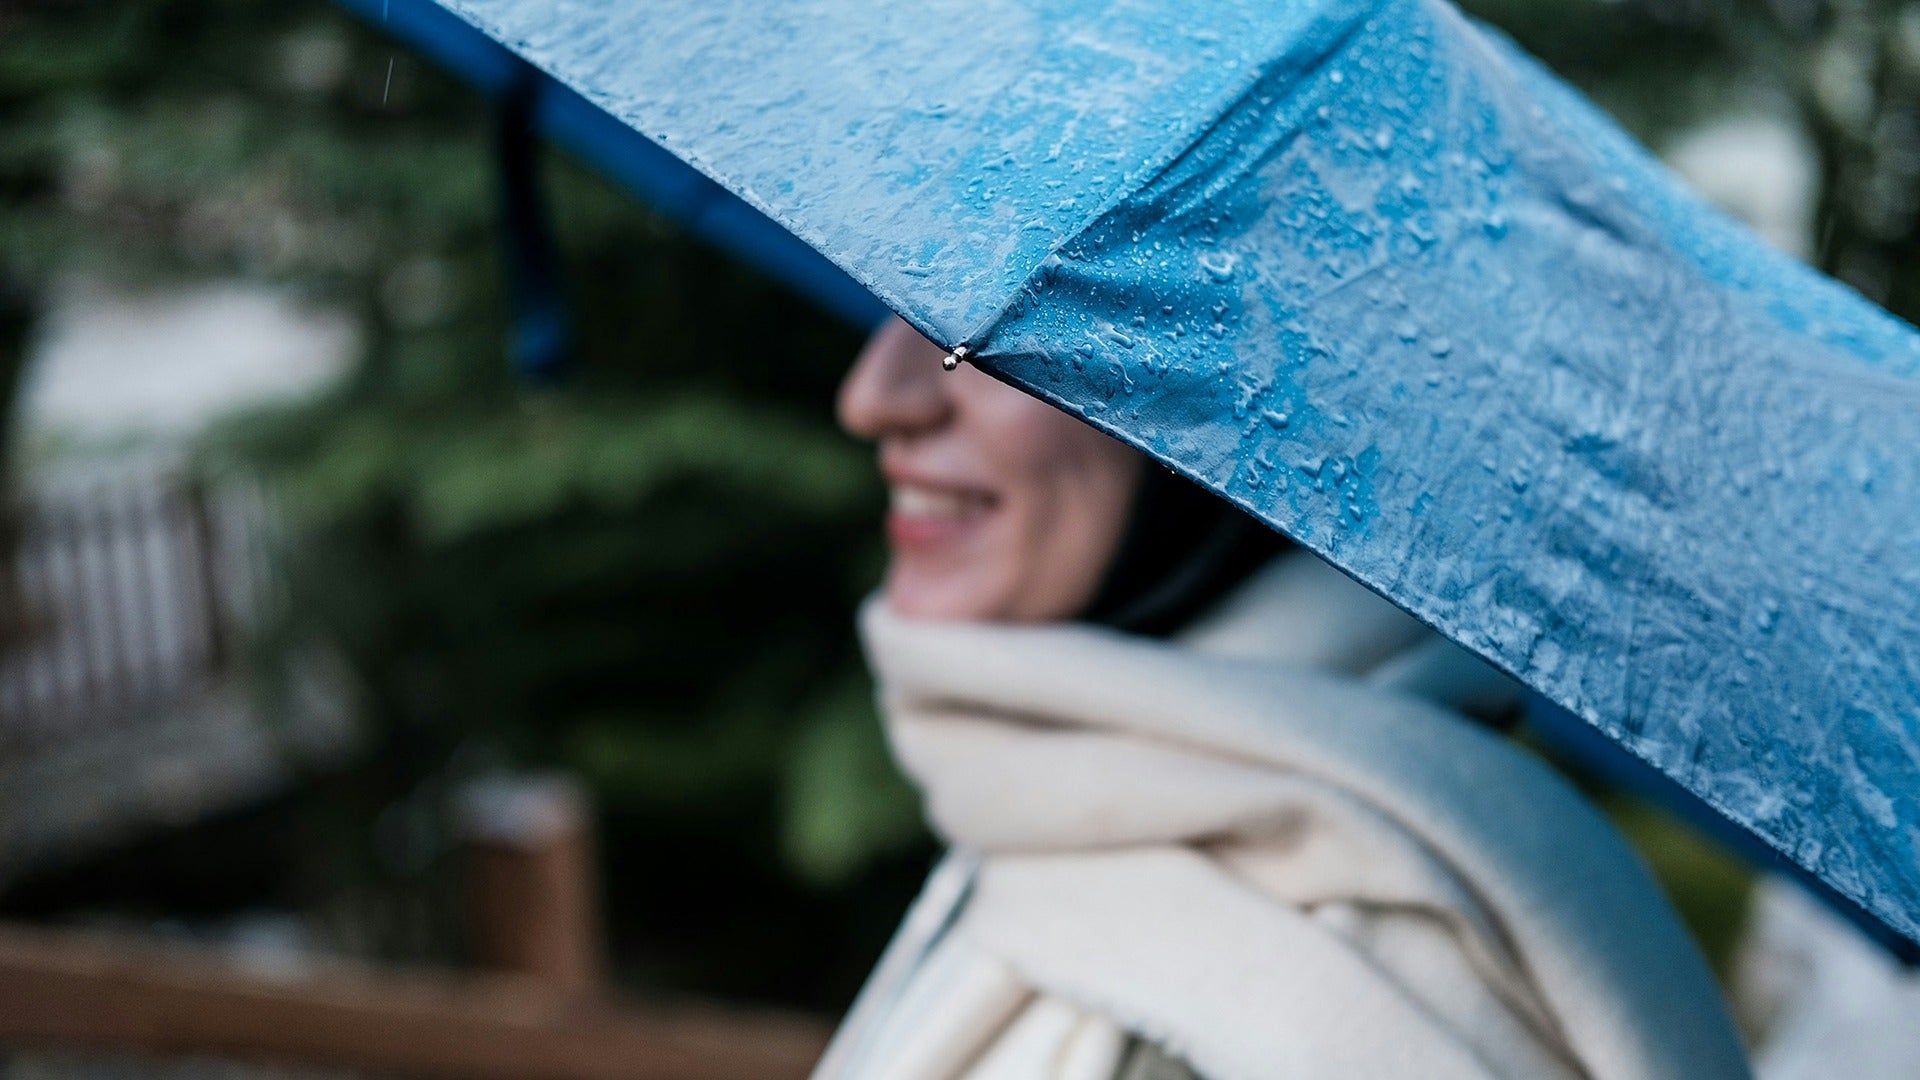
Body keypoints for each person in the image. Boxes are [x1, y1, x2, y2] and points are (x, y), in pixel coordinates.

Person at [811, 318, 1751, 1080]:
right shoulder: (1052, 811)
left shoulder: (1361, 953)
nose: (873, 396)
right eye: (899, 303)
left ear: (1233, 383)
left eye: (974, 324)